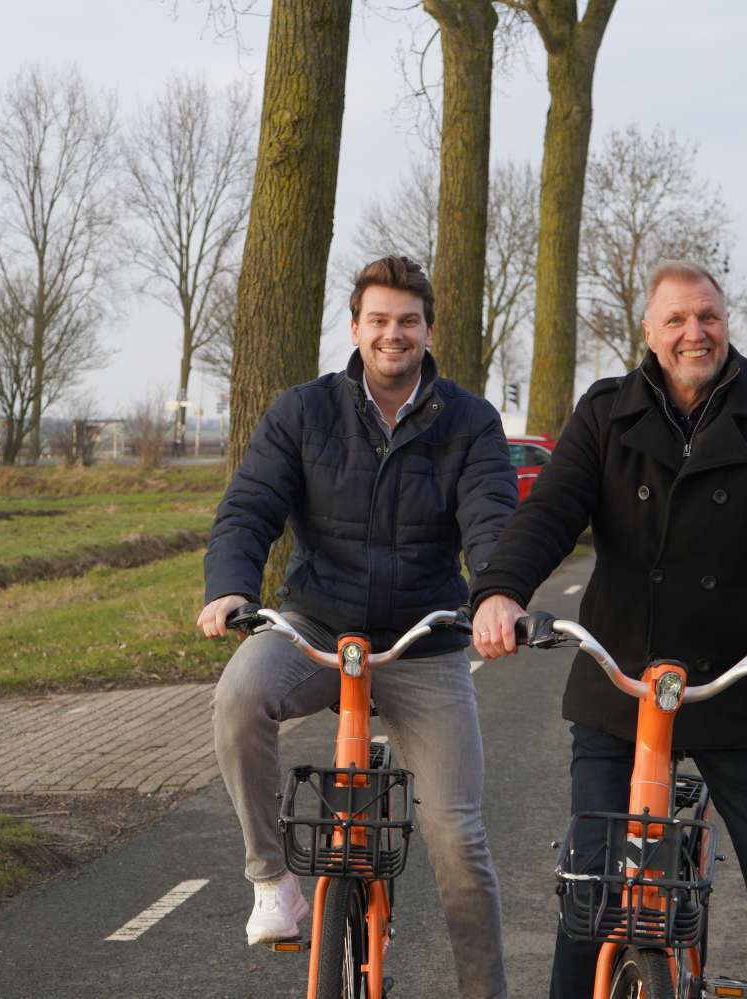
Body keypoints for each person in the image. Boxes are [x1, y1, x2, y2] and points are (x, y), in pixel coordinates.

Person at [470, 260, 747, 999]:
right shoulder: (606, 412)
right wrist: (499, 591)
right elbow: (548, 514)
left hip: (740, 685)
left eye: (708, 316)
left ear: (726, 323)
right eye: (677, 319)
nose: (695, 332)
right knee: (589, 886)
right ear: (649, 333)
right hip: (621, 682)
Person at [199, 255, 514, 999]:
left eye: (408, 321)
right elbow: (249, 508)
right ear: (355, 327)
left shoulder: (470, 421)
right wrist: (232, 589)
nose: (393, 334)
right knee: (239, 696)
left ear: (428, 330)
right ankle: (273, 878)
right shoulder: (303, 411)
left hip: (423, 640)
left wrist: (498, 593)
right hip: (315, 623)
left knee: (457, 837)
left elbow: (494, 521)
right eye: (378, 320)